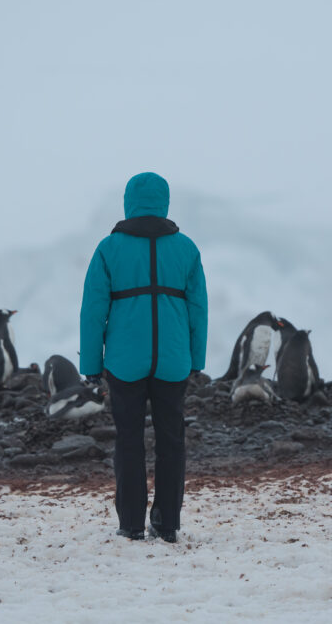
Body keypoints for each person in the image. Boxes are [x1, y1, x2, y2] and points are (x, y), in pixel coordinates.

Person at [79, 172, 208, 543]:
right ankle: (167, 523)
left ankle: (132, 522)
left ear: (128, 202)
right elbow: (198, 309)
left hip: (124, 360)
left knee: (129, 439)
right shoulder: (186, 248)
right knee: (172, 439)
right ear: (164, 202)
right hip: (172, 360)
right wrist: (195, 359)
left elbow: (93, 310)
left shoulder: (108, 248)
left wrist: (90, 364)